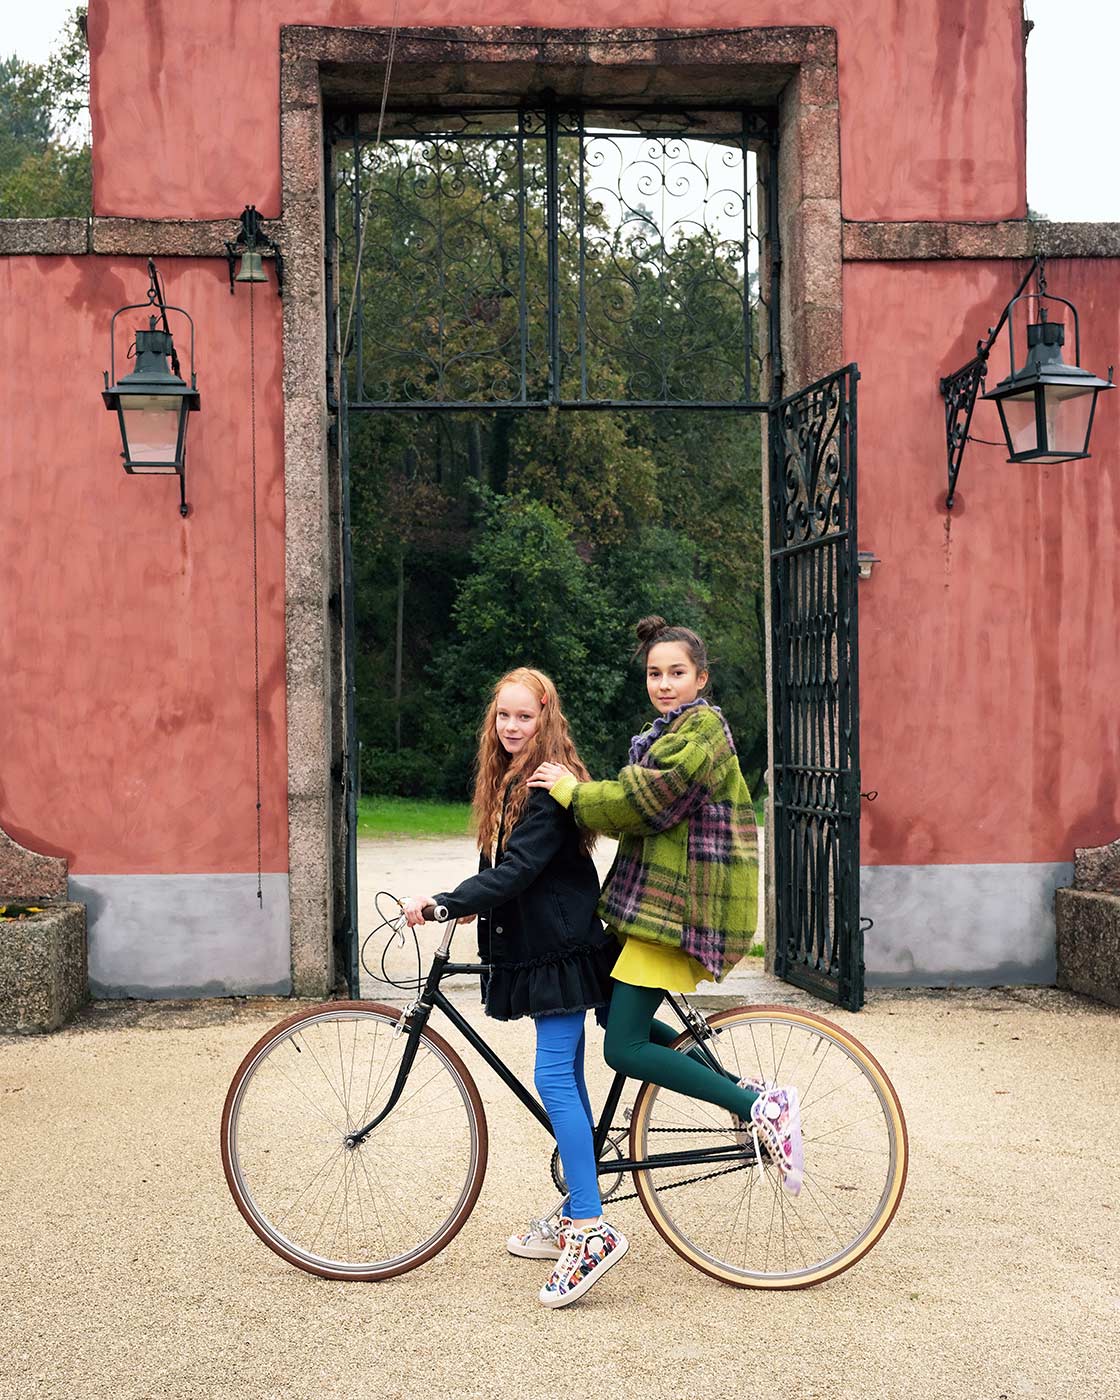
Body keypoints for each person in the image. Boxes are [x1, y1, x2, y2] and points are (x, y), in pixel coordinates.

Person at [529, 617, 804, 1195]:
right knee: (613, 1011)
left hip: (678, 912)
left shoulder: (700, 733)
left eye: (676, 672)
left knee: (623, 1048)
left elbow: (644, 802)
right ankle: (744, 1092)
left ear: (700, 678)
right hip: (654, 908)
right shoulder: (667, 733)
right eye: (655, 674)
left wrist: (572, 792)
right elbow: (638, 810)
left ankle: (759, 1105)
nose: (663, 683)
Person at [402, 667, 628, 1308]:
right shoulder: (509, 778)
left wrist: (447, 902)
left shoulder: (546, 783)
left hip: (559, 952)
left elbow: (523, 868)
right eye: (503, 715)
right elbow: (503, 867)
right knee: (568, 1080)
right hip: (543, 948)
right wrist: (471, 901)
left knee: (553, 1079)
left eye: (524, 716)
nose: (511, 726)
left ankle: (591, 1229)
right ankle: (578, 1206)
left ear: (546, 717)